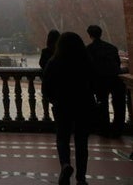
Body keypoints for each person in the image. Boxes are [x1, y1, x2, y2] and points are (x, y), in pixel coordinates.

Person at [42, 31, 96, 185]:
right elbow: (94, 82)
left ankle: (65, 164)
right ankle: (81, 177)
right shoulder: (86, 61)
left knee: (62, 138)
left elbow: (46, 87)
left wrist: (53, 100)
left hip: (62, 105)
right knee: (81, 142)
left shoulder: (54, 62)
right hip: (83, 105)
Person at [85, 24, 126, 138]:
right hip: (115, 78)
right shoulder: (112, 48)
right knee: (118, 104)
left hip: (100, 80)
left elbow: (88, 66)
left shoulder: (89, 49)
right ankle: (118, 129)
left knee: (102, 104)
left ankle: (104, 129)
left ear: (90, 35)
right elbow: (117, 63)